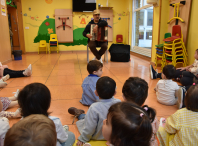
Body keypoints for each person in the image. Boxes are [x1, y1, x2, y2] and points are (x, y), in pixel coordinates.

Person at [68, 76, 121, 146]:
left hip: (97, 136)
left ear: (96, 93)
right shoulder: (119, 103)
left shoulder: (94, 107)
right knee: (88, 117)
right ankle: (79, 113)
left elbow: (90, 127)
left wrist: (83, 138)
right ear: (115, 93)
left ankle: (79, 114)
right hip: (113, 137)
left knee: (84, 118)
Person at [122, 77, 159, 146]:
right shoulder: (150, 113)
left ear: (123, 96)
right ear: (146, 96)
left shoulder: (121, 114)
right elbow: (156, 129)